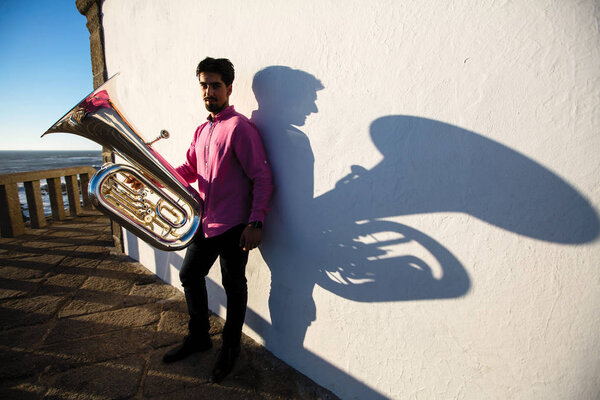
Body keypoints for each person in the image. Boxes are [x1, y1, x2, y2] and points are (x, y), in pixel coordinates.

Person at [161, 57, 273, 383]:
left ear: (229, 88)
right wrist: (154, 177)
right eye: (204, 85)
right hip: (206, 222)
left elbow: (262, 177)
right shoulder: (202, 129)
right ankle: (199, 337)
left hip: (236, 225)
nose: (209, 91)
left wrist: (256, 222)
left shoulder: (239, 128)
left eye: (215, 85)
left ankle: (230, 348)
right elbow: (189, 170)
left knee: (234, 287)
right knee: (189, 274)